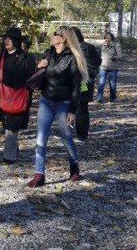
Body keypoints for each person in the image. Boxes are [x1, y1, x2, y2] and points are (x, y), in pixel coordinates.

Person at [28, 26, 89, 187]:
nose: (52, 35)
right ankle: (39, 174)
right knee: (41, 137)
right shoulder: (49, 53)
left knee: (66, 136)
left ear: (62, 39)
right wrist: (40, 66)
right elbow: (40, 75)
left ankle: (74, 166)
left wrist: (72, 111)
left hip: (64, 103)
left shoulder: (72, 58)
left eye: (56, 34)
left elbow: (76, 87)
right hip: (46, 101)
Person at [0, 28, 36, 164]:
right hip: (4, 97)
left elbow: (33, 78)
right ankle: (14, 149)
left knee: (11, 128)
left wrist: (26, 90)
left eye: (9, 38)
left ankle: (9, 157)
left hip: (19, 97)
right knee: (7, 127)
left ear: (16, 41)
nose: (6, 41)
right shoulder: (2, 55)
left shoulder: (26, 58)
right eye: (5, 38)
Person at [72, 27, 101, 140]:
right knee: (80, 107)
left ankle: (82, 135)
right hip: (83, 82)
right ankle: (80, 134)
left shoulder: (84, 48)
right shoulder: (87, 47)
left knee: (81, 107)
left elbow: (94, 65)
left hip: (82, 82)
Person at [96, 31, 122, 103]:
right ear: (104, 38)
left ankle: (113, 98)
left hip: (113, 68)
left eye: (109, 38)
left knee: (112, 84)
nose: (107, 39)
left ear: (112, 39)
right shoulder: (101, 46)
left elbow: (120, 55)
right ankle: (99, 98)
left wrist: (115, 57)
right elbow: (97, 55)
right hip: (103, 67)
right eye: (106, 38)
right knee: (101, 83)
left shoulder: (116, 45)